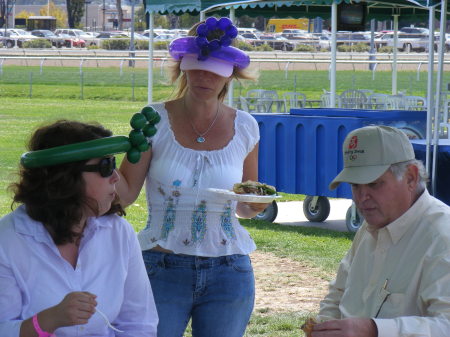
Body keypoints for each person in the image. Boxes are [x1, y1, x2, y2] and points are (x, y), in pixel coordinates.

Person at [117, 17, 269, 337]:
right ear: (183, 68)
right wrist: (91, 172)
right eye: (196, 66)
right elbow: (125, 193)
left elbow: (244, 203)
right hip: (160, 267)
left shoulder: (246, 127)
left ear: (229, 74)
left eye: (214, 69)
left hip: (230, 270)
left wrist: (254, 206)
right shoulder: (153, 119)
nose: (204, 76)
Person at [0, 120, 158, 337]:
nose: (116, 176)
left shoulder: (118, 232)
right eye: (105, 167)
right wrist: (49, 320)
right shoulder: (8, 240)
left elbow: (139, 324)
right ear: (66, 176)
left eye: (114, 163)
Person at [310, 125, 450, 337]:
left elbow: (446, 325)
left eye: (374, 184)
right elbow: (338, 294)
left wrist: (374, 329)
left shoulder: (442, 235)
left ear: (410, 177)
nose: (361, 198)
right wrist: (326, 325)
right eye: (355, 186)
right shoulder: (371, 226)